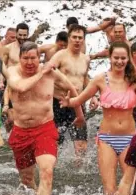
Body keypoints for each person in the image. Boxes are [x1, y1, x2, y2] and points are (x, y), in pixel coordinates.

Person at [60, 42, 136, 195]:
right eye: (116, 58)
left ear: (128, 59)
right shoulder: (100, 79)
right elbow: (80, 99)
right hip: (106, 138)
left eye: (123, 58)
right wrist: (69, 102)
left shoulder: (135, 80)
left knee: (132, 188)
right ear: (110, 57)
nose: (120, 61)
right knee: (109, 190)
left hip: (129, 138)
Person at [6, 41, 83, 195]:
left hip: (44, 128)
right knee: (27, 181)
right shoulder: (12, 72)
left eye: (33, 58)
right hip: (21, 131)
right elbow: (21, 87)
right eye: (25, 58)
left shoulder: (51, 73)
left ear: (39, 58)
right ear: (19, 58)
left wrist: (79, 114)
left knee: (47, 172)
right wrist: (42, 72)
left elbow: (72, 89)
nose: (29, 62)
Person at [48, 25, 90, 159]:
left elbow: (84, 78)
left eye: (80, 38)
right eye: (74, 37)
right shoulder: (60, 56)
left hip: (77, 102)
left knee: (81, 144)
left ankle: (79, 173)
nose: (77, 40)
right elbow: (47, 73)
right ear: (69, 38)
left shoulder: (85, 59)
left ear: (83, 40)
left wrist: (93, 96)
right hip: (58, 103)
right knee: (55, 142)